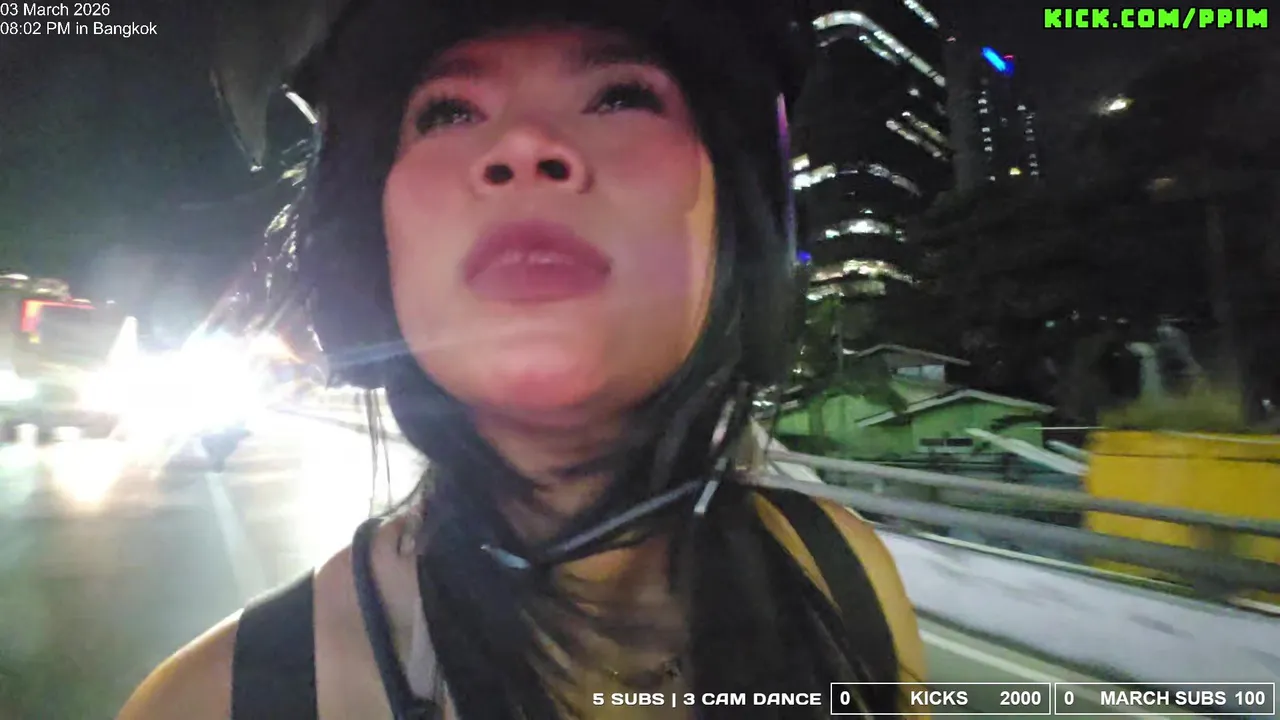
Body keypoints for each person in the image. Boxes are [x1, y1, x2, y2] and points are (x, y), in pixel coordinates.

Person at [119, 0, 928, 717]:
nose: (525, 145)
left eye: (620, 96)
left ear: (741, 225)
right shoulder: (217, 703)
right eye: (448, 112)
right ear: (368, 246)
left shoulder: (843, 580)